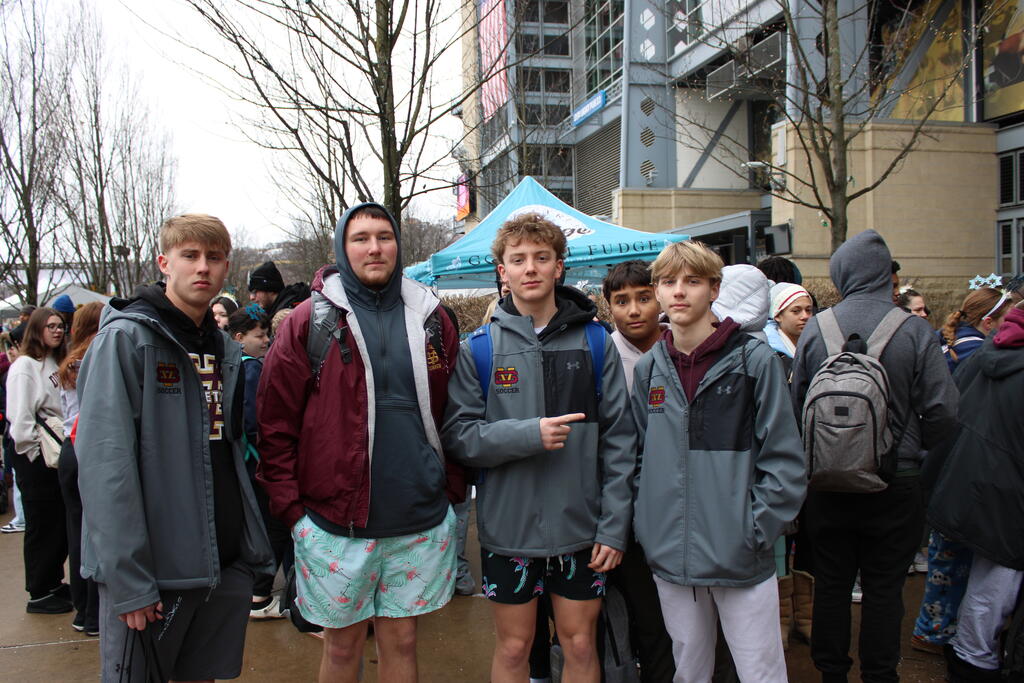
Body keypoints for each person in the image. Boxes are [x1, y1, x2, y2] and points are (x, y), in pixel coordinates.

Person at [257, 202, 464, 683]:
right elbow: (273, 424)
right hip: (333, 525)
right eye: (360, 238)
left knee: (403, 642)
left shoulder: (432, 317)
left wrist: (450, 489)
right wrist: (293, 513)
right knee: (342, 646)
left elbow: (456, 411)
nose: (374, 248)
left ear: (398, 245)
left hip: (417, 518)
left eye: (384, 237)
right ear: (341, 248)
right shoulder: (309, 321)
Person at [76, 214, 274, 682]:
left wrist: (247, 554)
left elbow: (228, 452)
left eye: (214, 257)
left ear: (226, 268)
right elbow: (105, 468)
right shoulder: (126, 340)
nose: (202, 267)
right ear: (165, 263)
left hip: (220, 564)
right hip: (154, 576)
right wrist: (129, 581)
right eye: (190, 255)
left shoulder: (224, 348)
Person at [442, 213, 636, 683]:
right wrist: (528, 435)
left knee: (580, 643)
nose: (530, 267)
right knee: (513, 648)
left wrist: (613, 528)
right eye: (518, 259)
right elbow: (459, 436)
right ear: (503, 272)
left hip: (582, 531)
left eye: (541, 257)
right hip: (509, 532)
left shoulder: (596, 342)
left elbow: (620, 443)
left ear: (559, 267)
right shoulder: (479, 349)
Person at [631, 241, 804, 682]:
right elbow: (638, 458)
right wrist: (649, 526)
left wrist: (753, 530)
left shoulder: (755, 361)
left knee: (760, 672)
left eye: (692, 281)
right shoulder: (649, 369)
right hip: (671, 555)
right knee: (689, 671)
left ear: (714, 289)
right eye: (668, 281)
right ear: (657, 291)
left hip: (739, 554)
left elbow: (784, 460)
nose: (679, 291)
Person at [791, 230, 958, 683]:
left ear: (840, 274)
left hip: (827, 481)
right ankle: (880, 674)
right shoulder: (915, 330)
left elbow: (796, 406)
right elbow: (944, 410)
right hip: (895, 479)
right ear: (886, 275)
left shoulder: (816, 329)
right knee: (885, 588)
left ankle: (831, 673)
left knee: (831, 583)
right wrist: (915, 449)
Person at [910, 284, 1015, 655]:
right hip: (971, 469)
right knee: (962, 565)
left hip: (949, 466)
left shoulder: (963, 347)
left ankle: (933, 631)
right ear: (989, 321)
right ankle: (942, 635)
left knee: (947, 559)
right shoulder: (977, 353)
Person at [601, 259, 674, 682]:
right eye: (622, 301)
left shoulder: (680, 349)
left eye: (644, 298)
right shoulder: (603, 355)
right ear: (609, 306)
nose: (633, 310)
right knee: (641, 615)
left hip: (675, 505)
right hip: (624, 509)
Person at [226, 305, 290, 619]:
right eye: (259, 335)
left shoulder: (230, 364)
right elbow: (254, 421)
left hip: (244, 463)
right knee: (274, 526)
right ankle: (260, 594)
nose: (266, 340)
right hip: (258, 464)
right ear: (239, 338)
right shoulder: (251, 369)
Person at [6, 307, 71, 614]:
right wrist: (34, 453)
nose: (57, 331)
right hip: (35, 457)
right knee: (41, 523)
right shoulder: (24, 367)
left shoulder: (53, 362)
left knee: (57, 522)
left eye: (60, 326)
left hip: (54, 453)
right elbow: (19, 418)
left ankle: (53, 581)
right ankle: (39, 590)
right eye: (51, 326)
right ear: (36, 329)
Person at [56, 301, 103, 636]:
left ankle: (83, 610)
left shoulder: (69, 362)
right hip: (87, 448)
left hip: (69, 450)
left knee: (77, 530)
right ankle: (93, 613)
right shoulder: (92, 359)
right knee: (94, 531)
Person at [938, 286, 1014, 373]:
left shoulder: (957, 333)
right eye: (1009, 320)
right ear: (988, 323)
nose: (1013, 324)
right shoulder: (977, 351)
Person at [765, 283, 813, 370]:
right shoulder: (770, 354)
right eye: (796, 311)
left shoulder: (817, 344)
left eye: (808, 310)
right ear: (777, 315)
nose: (805, 316)